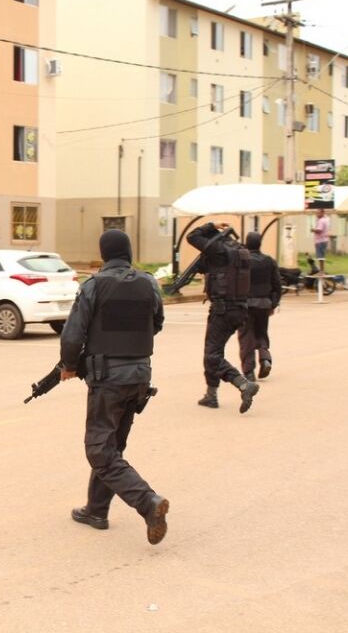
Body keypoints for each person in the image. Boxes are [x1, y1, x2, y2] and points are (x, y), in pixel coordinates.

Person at [59, 229, 169, 545]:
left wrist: (69, 365)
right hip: (139, 376)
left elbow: (72, 335)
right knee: (111, 447)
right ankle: (96, 510)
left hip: (108, 379)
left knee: (98, 449)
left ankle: (147, 502)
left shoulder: (93, 285)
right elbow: (157, 322)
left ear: (103, 254)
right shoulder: (148, 283)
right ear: (129, 252)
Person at [187, 221, 260, 413]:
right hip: (240, 309)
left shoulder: (218, 249)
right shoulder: (240, 250)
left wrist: (211, 225)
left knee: (212, 355)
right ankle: (211, 394)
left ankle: (243, 384)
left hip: (223, 310)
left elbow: (192, 236)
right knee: (214, 352)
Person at [238, 232, 282, 382]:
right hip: (264, 304)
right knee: (261, 332)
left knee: (246, 336)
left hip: (245, 304)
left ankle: (249, 371)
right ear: (260, 244)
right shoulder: (269, 261)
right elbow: (277, 284)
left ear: (246, 243)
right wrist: (273, 303)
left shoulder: (242, 261)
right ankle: (265, 358)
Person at [310, 209, 330, 273]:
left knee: (320, 256)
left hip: (320, 240)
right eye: (316, 213)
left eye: (318, 213)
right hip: (323, 240)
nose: (317, 214)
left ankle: (322, 271)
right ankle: (321, 270)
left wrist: (313, 230)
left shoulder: (321, 221)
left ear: (322, 213)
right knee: (321, 256)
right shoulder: (326, 219)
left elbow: (319, 230)